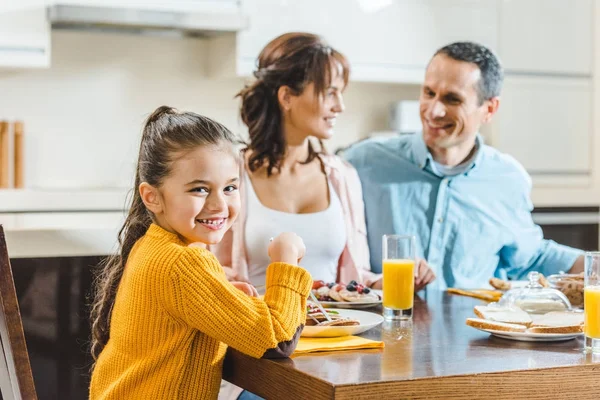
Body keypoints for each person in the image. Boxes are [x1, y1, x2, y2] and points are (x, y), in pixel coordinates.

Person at [89, 106, 312, 400]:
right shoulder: (184, 262)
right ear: (152, 197)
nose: (219, 204)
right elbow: (277, 339)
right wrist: (286, 257)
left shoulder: (152, 245)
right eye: (200, 190)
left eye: (230, 187)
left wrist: (222, 294)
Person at [344, 41, 584, 291]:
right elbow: (334, 258)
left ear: (489, 109)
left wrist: (591, 265)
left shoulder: (507, 178)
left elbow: (531, 257)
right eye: (428, 93)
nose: (434, 111)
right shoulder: (362, 164)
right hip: (382, 326)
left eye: (452, 99)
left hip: (472, 328)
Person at [210, 32, 435, 293]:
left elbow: (356, 277)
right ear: (287, 97)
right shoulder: (231, 175)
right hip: (258, 329)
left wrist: (395, 280)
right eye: (330, 93)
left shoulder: (342, 176)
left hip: (335, 329)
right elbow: (212, 269)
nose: (339, 106)